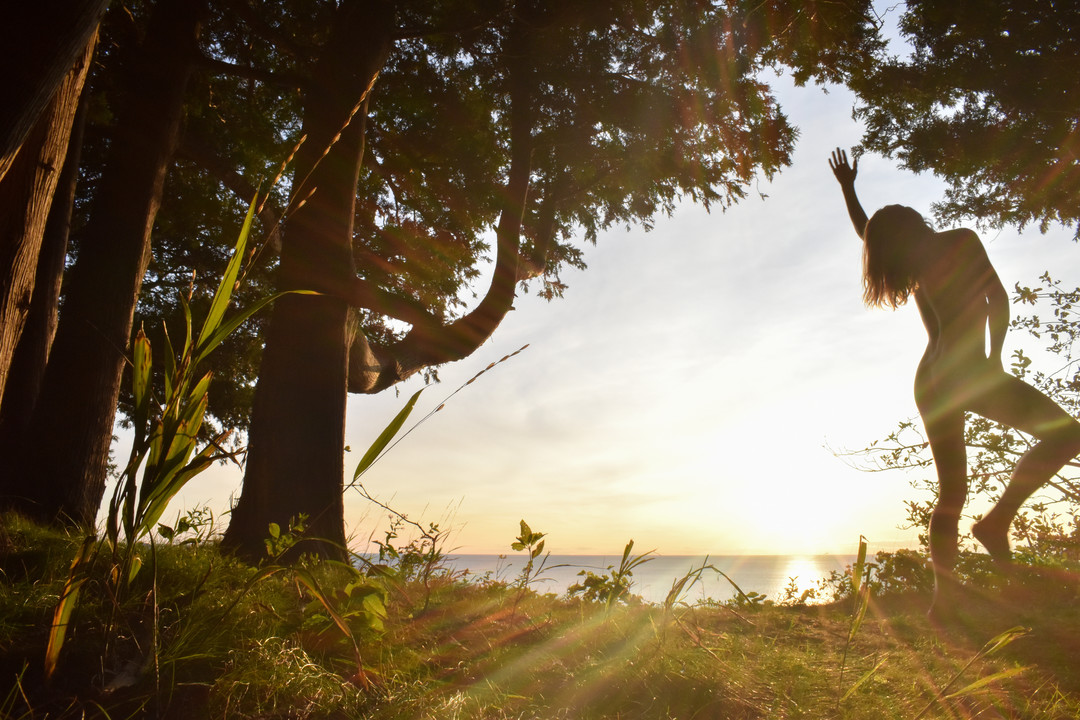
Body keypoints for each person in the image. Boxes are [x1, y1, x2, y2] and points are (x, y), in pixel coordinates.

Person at [828, 147, 1080, 618]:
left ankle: (942, 603)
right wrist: (995, 359)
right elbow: (998, 298)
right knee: (1068, 434)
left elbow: (867, 232)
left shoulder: (911, 264)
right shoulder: (959, 241)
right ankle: (997, 522)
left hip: (930, 380)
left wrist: (848, 189)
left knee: (952, 493)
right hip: (967, 372)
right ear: (914, 222)